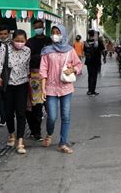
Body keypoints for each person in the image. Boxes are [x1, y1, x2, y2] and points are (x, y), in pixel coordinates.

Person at [40, 25, 82, 154]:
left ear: (63, 34)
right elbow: (43, 70)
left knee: (66, 116)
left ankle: (62, 143)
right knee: (52, 116)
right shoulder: (47, 51)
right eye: (53, 33)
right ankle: (49, 133)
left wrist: (73, 69)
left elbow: (78, 64)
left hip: (66, 88)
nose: (55, 35)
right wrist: (42, 89)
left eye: (58, 32)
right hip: (51, 88)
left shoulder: (70, 50)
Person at [0, 29, 31, 154]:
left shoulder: (27, 51)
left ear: (25, 41)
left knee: (21, 113)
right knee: (8, 112)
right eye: (17, 40)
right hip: (8, 85)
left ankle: (20, 142)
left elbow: (28, 68)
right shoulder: (4, 48)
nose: (19, 43)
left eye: (22, 41)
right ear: (12, 39)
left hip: (22, 85)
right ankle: (11, 134)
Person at [25, 20, 52, 141]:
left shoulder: (49, 41)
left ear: (43, 28)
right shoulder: (30, 42)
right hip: (35, 77)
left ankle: (47, 132)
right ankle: (36, 132)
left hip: (49, 77)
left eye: (40, 27)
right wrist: (40, 56)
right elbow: (28, 59)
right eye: (36, 27)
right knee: (36, 106)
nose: (38, 29)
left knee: (49, 106)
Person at [84, 30, 105, 96]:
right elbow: (103, 50)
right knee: (94, 76)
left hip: (88, 61)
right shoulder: (98, 41)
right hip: (96, 61)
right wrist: (104, 58)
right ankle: (93, 91)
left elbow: (84, 51)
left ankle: (89, 90)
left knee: (90, 75)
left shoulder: (86, 42)